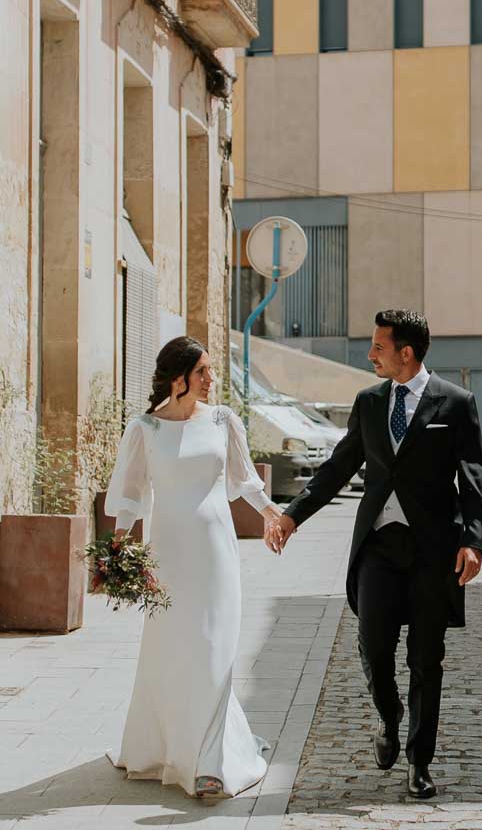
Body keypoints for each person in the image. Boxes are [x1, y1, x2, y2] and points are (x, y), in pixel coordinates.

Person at [270, 309, 482, 802]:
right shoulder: (369, 403)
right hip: (378, 548)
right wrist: (291, 517)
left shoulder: (455, 404)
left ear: (405, 352)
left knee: (425, 659)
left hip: (434, 552)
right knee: (373, 648)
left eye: (379, 347)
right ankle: (389, 719)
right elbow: (338, 466)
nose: (371, 355)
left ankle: (419, 762)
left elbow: (473, 478)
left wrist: (474, 541)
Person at [103, 335, 285, 802]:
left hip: (215, 551)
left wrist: (273, 516)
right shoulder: (145, 428)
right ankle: (167, 744)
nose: (211, 378)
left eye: (210, 370)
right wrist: (120, 547)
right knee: (172, 647)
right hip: (166, 553)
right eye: (203, 370)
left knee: (213, 645)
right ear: (179, 377)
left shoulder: (224, 421)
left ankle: (210, 761)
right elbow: (130, 495)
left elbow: (244, 479)